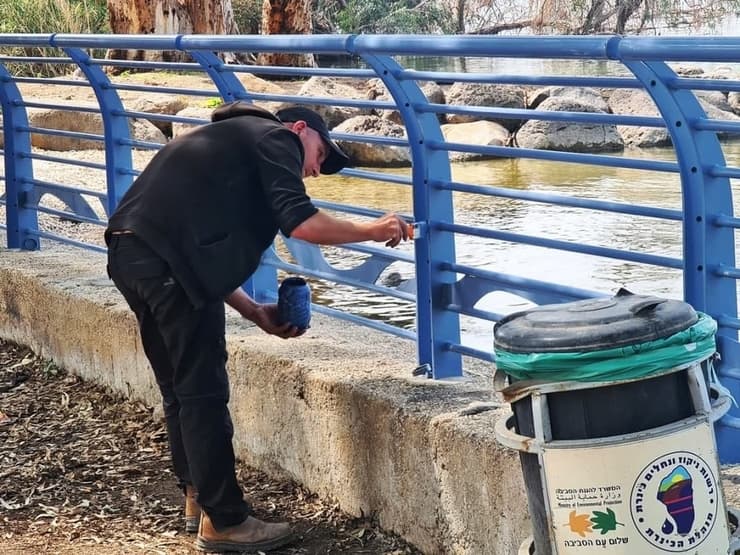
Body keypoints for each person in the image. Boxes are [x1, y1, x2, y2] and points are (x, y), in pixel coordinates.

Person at [104, 101, 410, 553]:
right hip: (165, 264)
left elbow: (193, 248)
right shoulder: (275, 138)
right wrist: (373, 228)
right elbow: (302, 224)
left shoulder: (228, 142)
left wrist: (253, 311)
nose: (313, 170)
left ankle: (199, 499)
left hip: (132, 255)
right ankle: (225, 522)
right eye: (320, 156)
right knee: (203, 394)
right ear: (301, 129)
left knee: (180, 388)